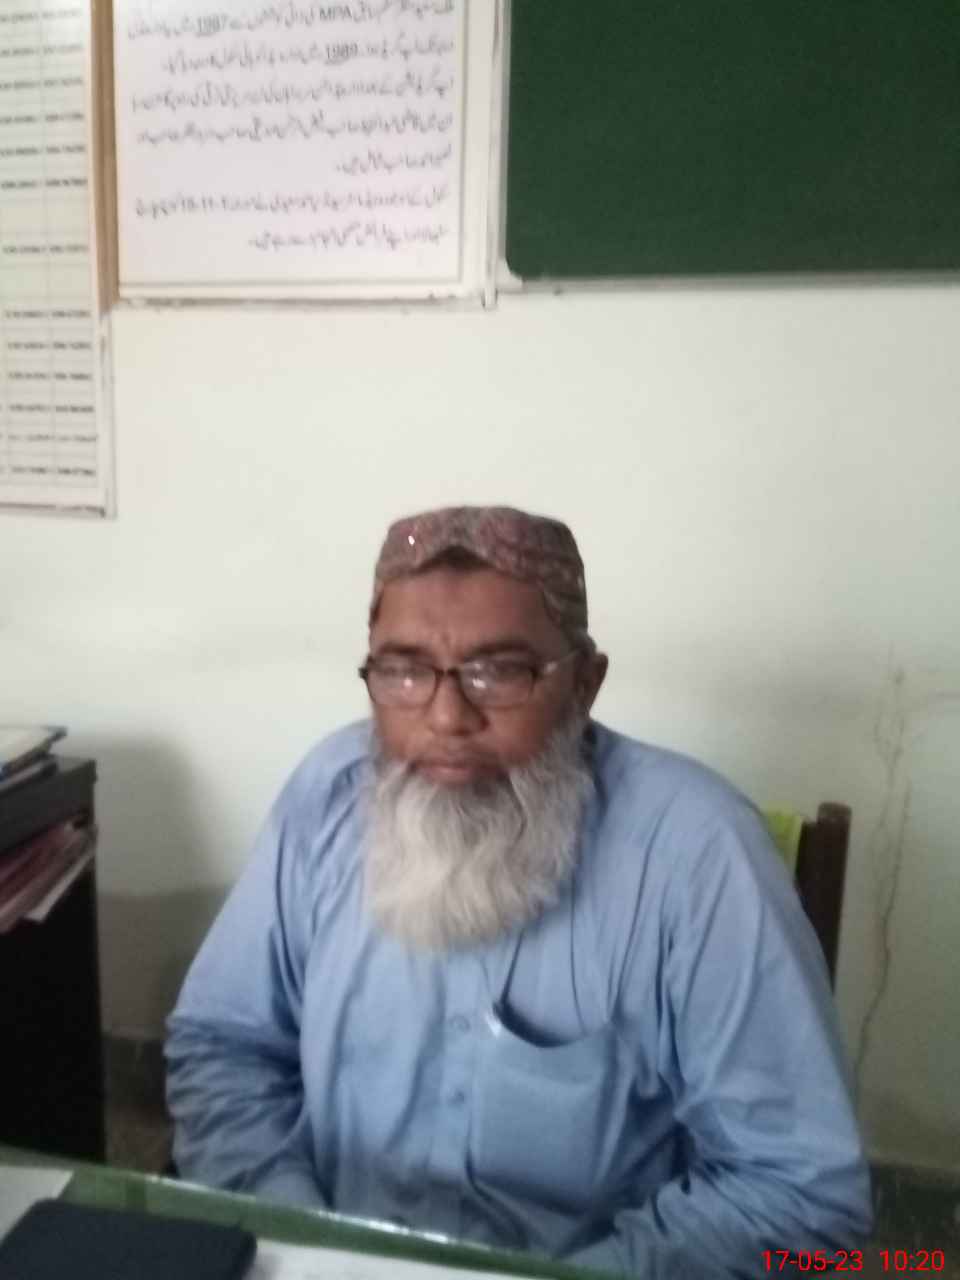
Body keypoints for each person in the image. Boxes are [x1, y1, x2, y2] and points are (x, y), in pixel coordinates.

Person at [166, 505, 873, 1278]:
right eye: (404, 670)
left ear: (585, 684)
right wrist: (306, 1244)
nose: (446, 717)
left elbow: (798, 1193)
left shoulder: (698, 856)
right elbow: (224, 1045)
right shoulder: (329, 796)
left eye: (497, 672)